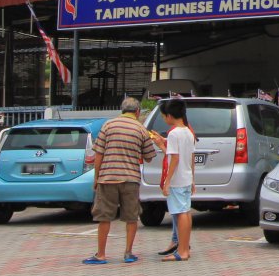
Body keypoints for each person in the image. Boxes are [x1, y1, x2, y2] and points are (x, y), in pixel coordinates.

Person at [83, 97, 157, 265]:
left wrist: (97, 177)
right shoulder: (141, 129)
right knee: (131, 217)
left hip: (108, 177)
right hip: (131, 179)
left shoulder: (108, 125)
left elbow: (99, 153)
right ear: (137, 112)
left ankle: (101, 254)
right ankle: (128, 253)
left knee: (104, 217)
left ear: (122, 110)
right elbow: (149, 157)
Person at [159, 98, 196, 261]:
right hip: (186, 178)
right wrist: (193, 179)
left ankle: (182, 251)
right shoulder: (188, 132)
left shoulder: (174, 134)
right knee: (186, 212)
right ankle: (184, 249)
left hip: (177, 180)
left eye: (163, 116)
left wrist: (167, 181)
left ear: (169, 115)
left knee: (180, 213)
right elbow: (191, 158)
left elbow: (174, 158)